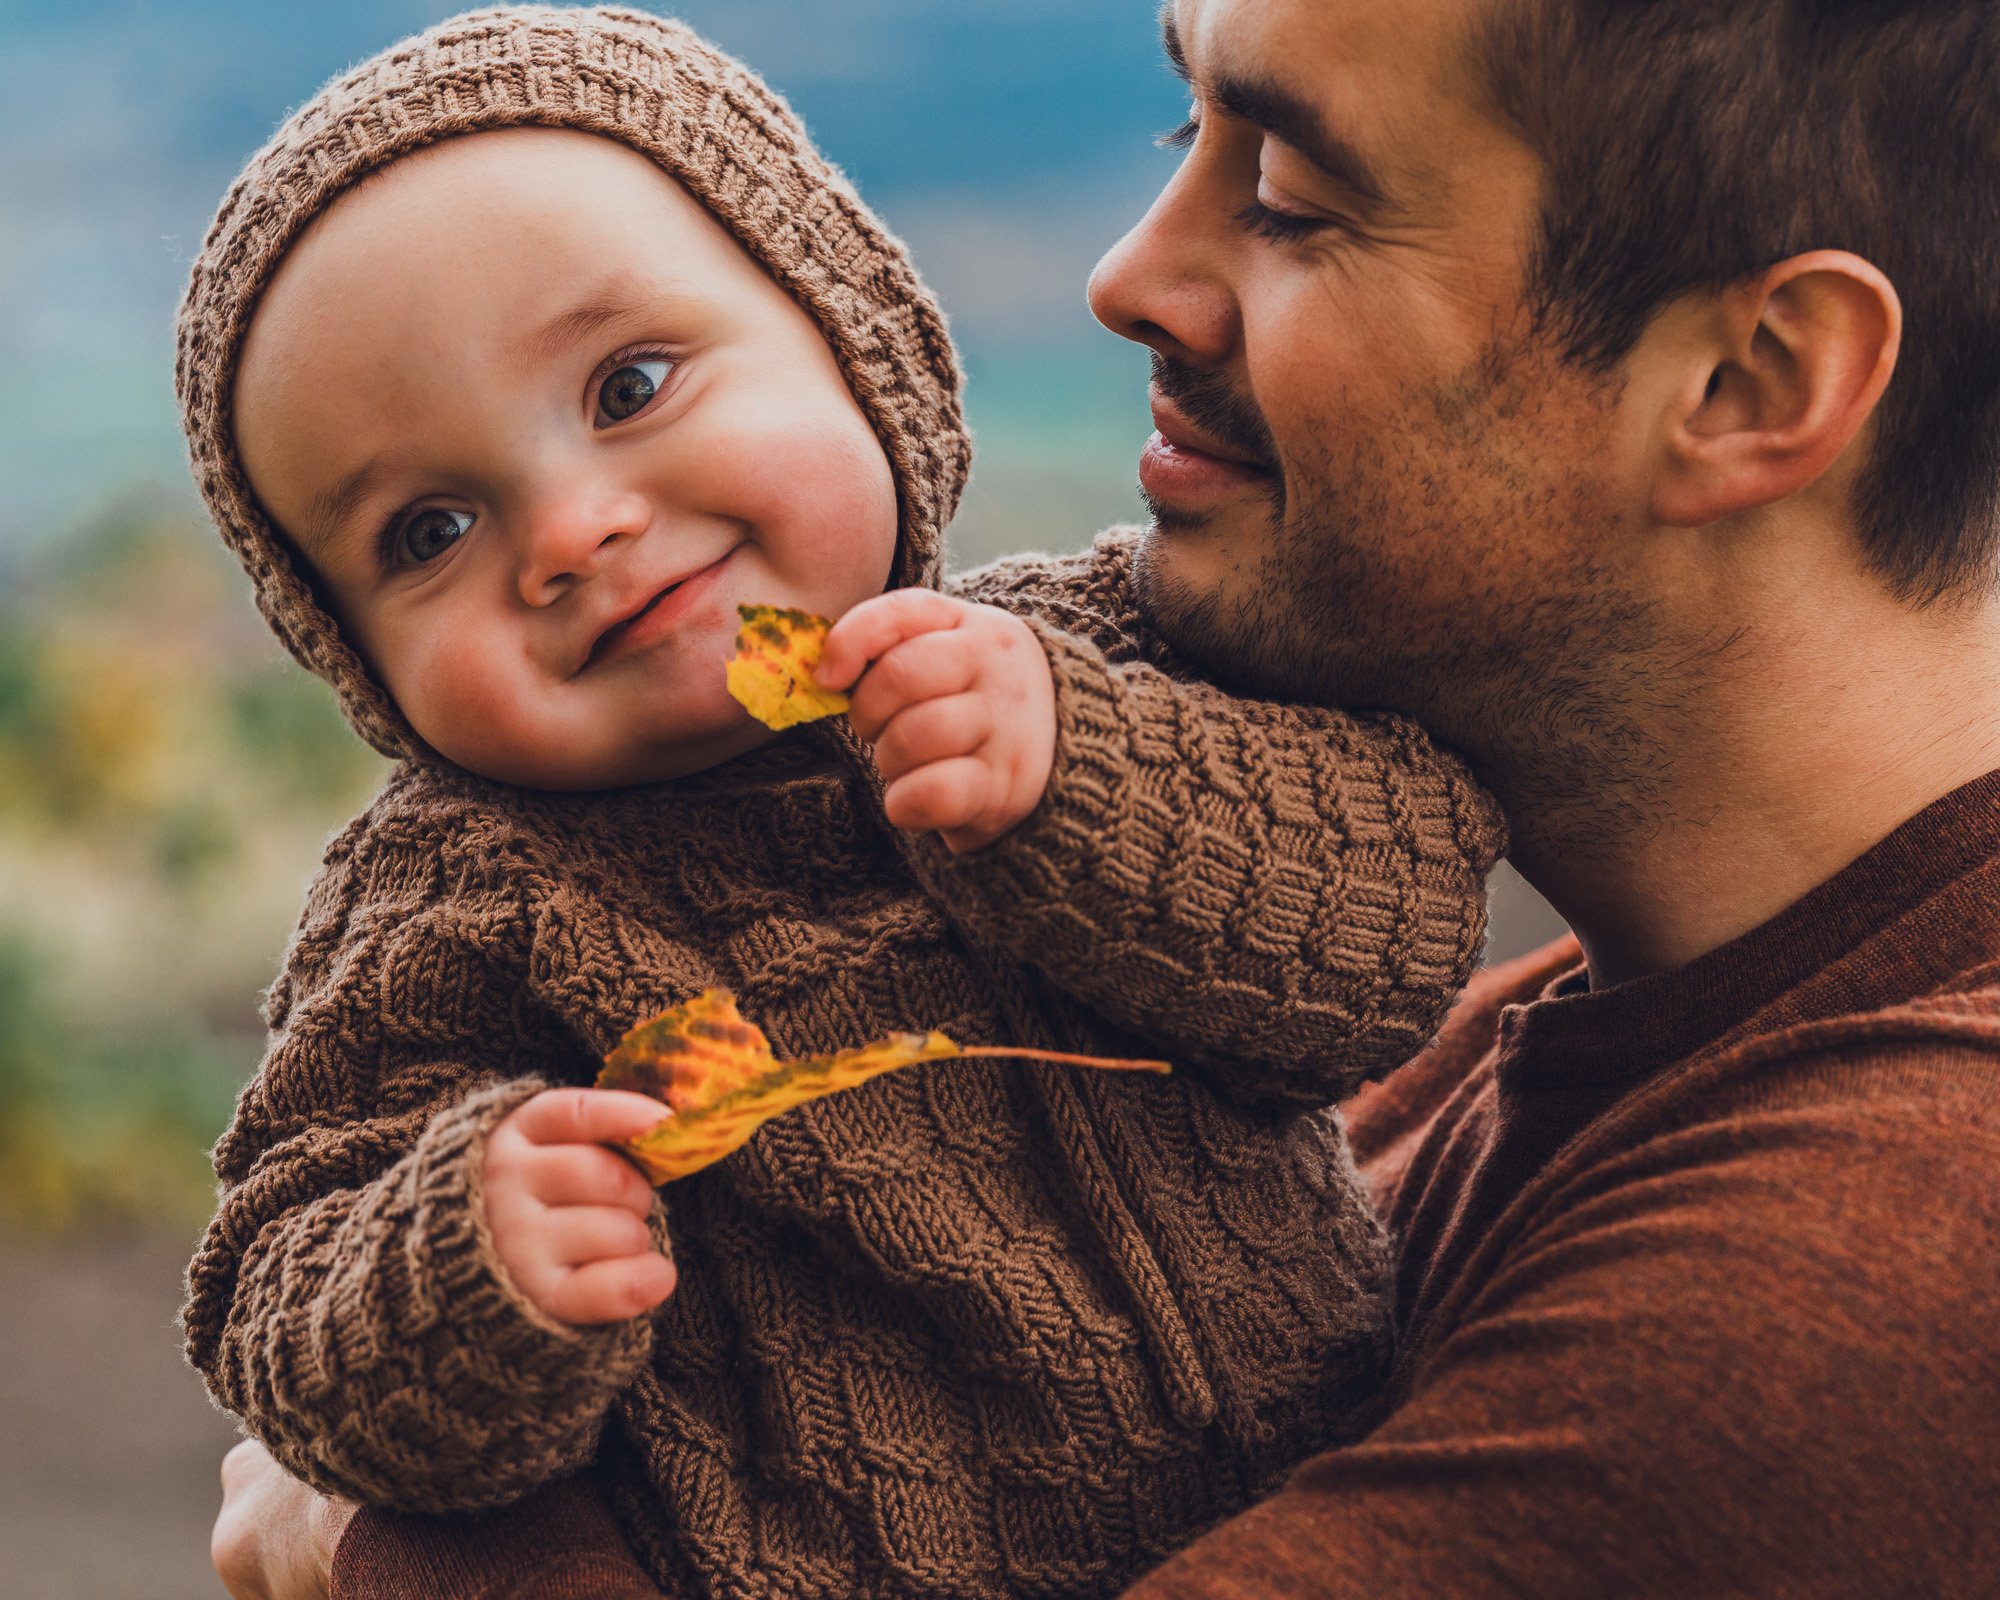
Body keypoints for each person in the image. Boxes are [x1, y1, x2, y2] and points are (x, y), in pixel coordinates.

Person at [213, 0, 2000, 1594]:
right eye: (1180, 138)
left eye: (1291, 198)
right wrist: (446, 1293)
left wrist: (393, 1559)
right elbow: (297, 1240)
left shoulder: (1864, 1280)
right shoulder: (1559, 1056)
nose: (1123, 275)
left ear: (1747, 383)